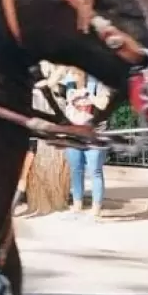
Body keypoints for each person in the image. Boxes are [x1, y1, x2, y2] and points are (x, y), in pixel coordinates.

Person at [63, 74, 107, 218]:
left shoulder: (98, 83)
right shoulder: (69, 83)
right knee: (76, 170)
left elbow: (103, 104)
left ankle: (96, 207)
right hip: (74, 133)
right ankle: (77, 204)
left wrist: (89, 95)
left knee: (95, 171)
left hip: (94, 133)